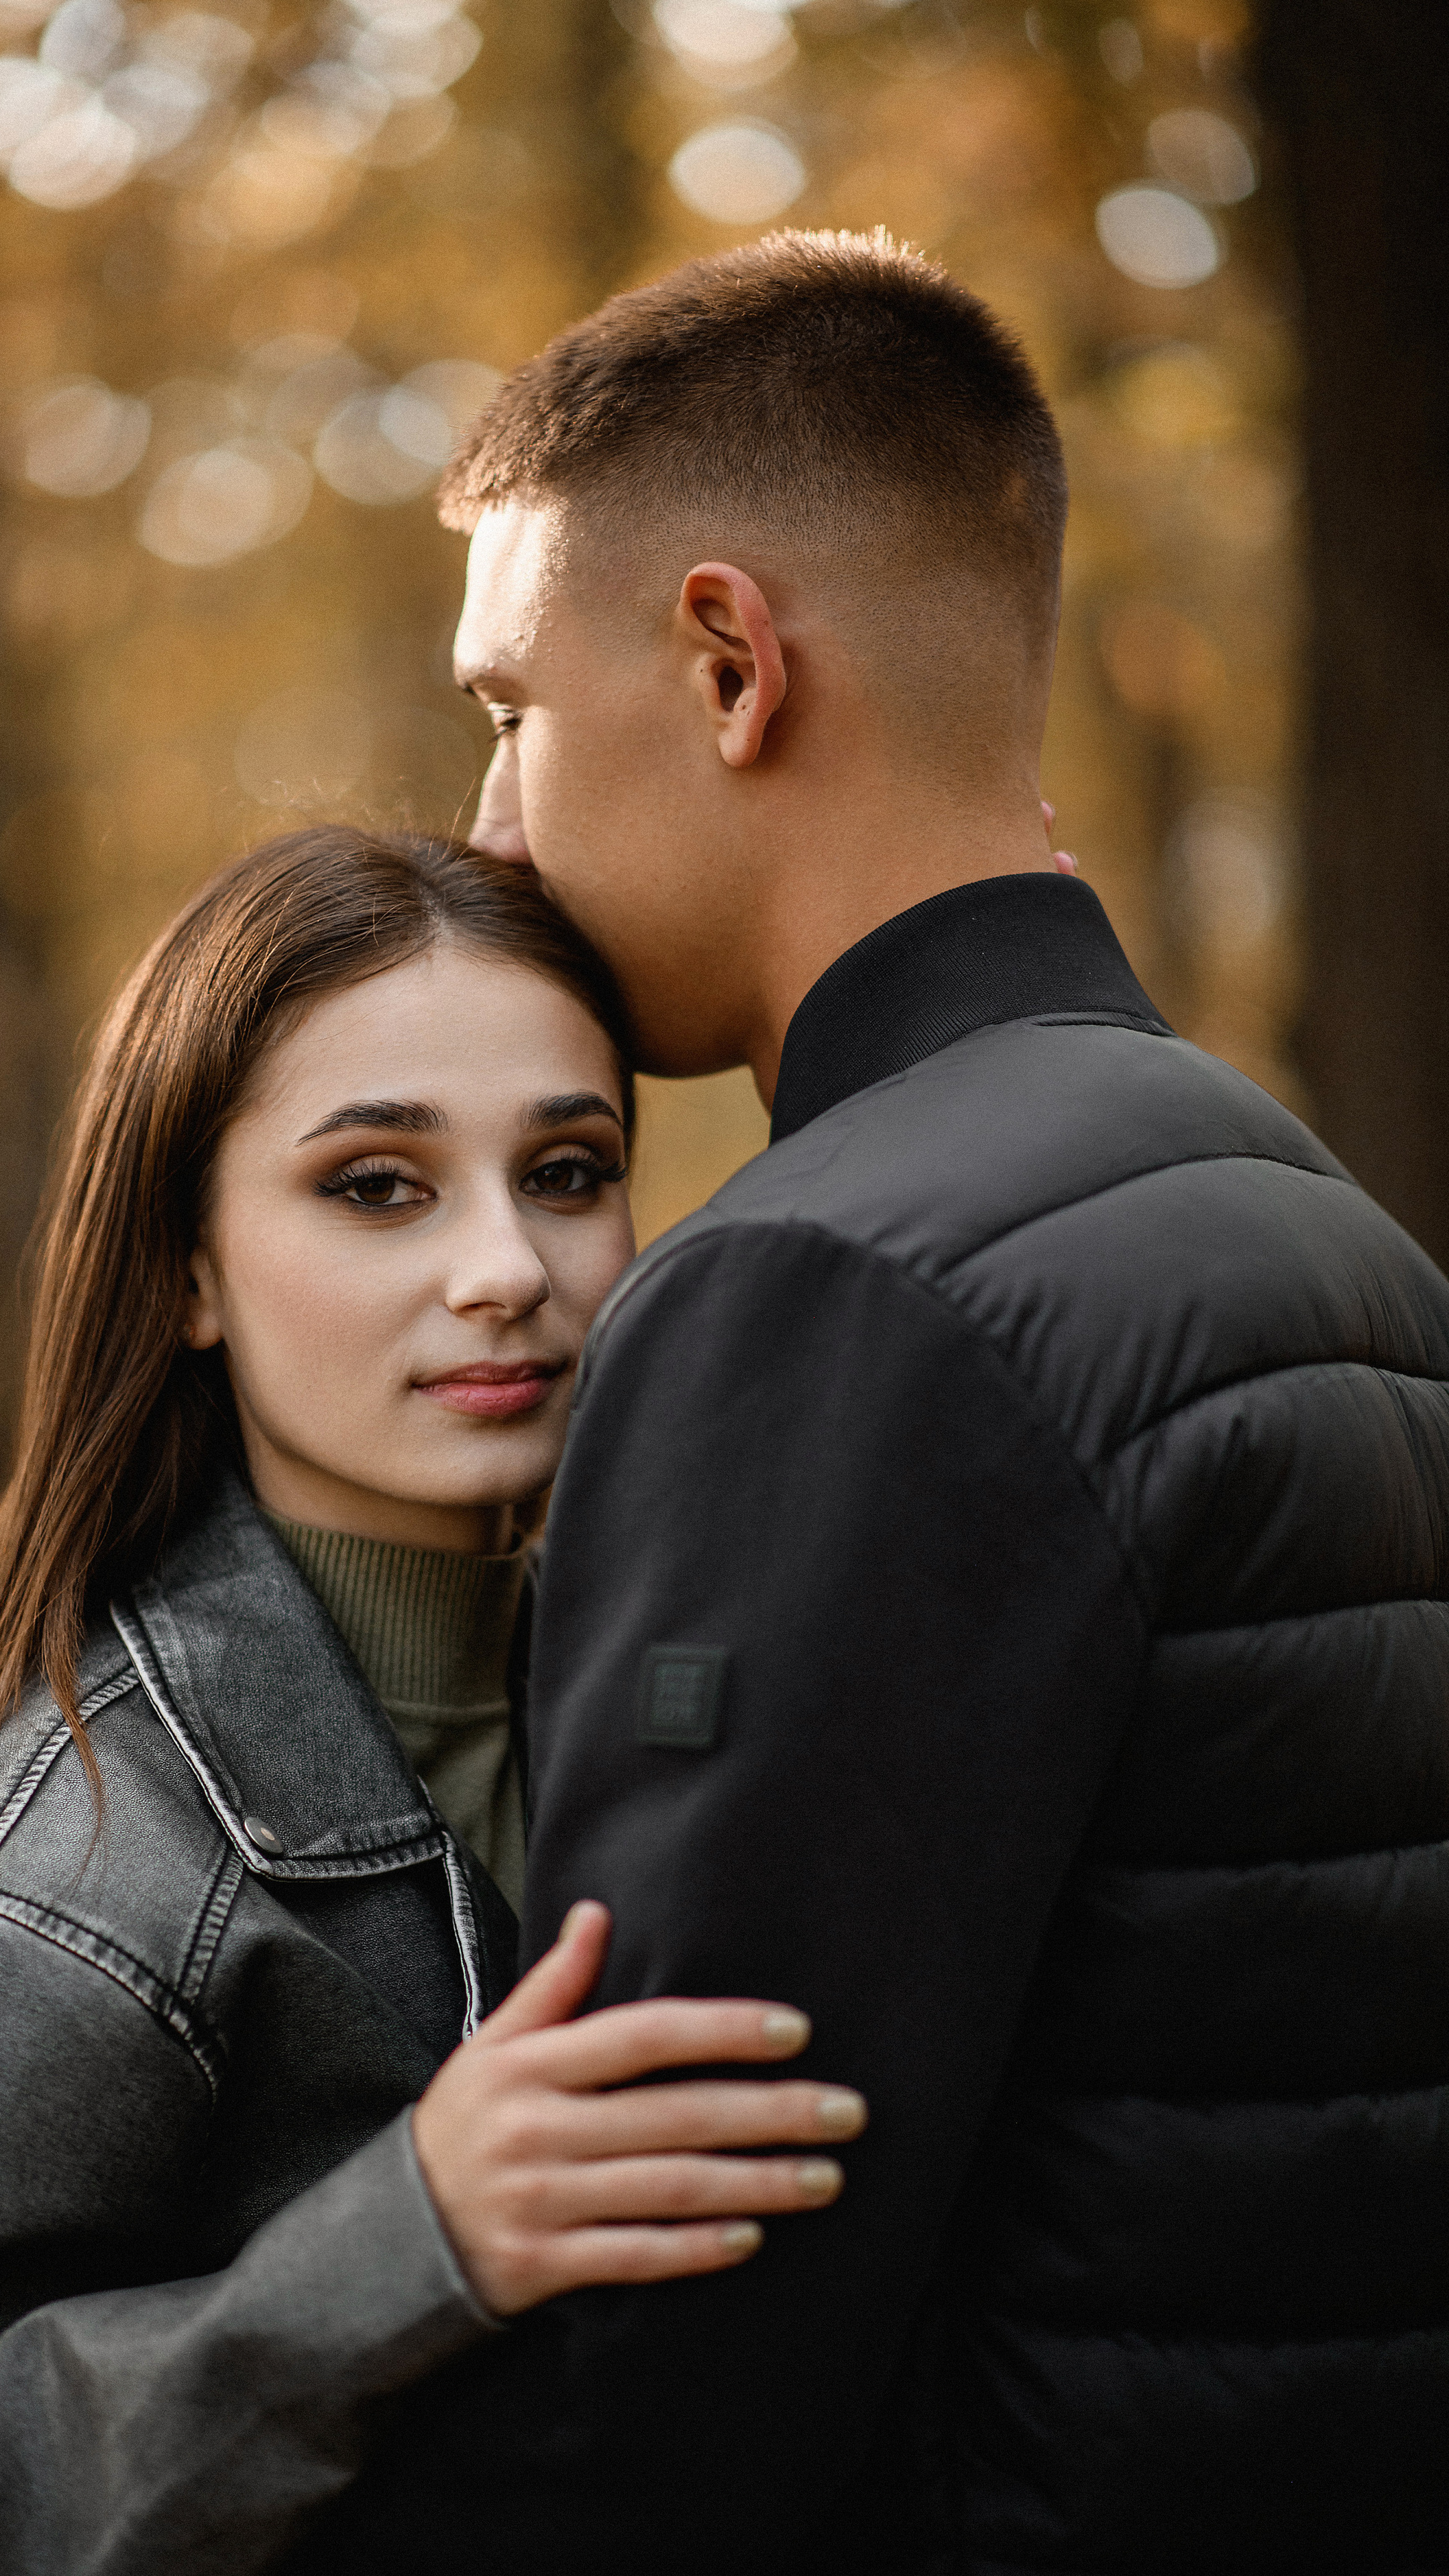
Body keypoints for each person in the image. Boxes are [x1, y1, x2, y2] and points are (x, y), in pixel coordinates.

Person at [318, 233, 1449, 2571]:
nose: (494, 825)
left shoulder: (830, 1289)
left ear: (729, 665)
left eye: (511, 711)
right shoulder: (1325, 1223)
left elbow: (679, 2341)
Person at [0, 828, 866, 2574]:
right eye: (378, 1186)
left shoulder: (694, 1728)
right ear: (185, 1268)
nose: (508, 1267)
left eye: (568, 1170)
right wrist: (405, 2246)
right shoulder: (45, 1916)